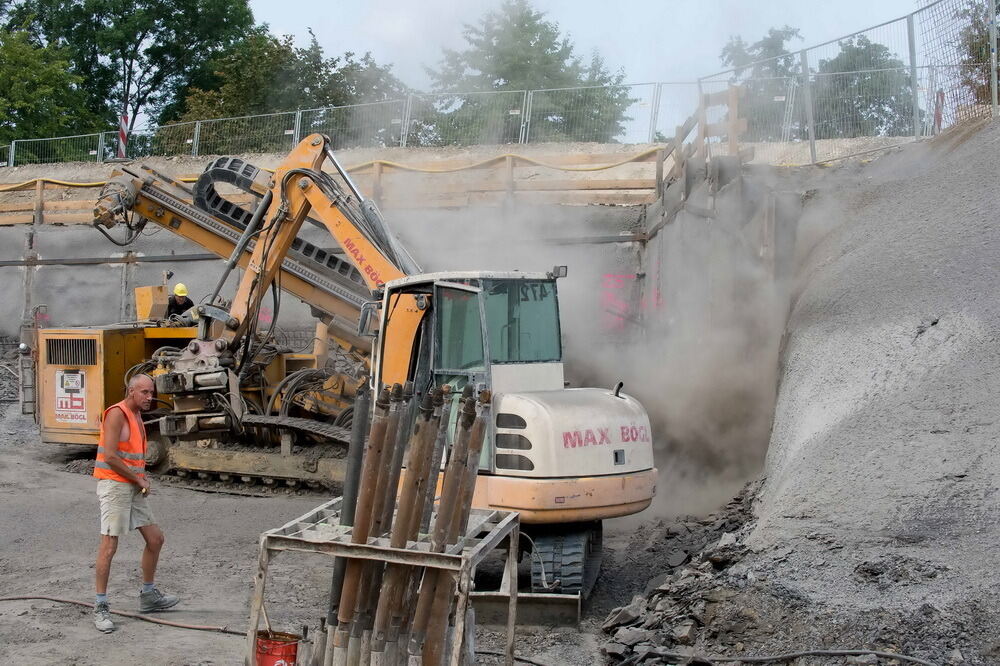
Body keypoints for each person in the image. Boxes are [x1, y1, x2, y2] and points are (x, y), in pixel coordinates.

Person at [93, 374, 179, 633]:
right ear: (131, 391)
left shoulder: (137, 415)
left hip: (131, 484)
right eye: (144, 392)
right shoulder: (117, 413)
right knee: (109, 546)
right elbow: (109, 456)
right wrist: (139, 480)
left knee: (155, 539)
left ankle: (149, 595)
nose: (149, 397)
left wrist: (139, 480)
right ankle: (100, 607)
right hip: (115, 485)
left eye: (151, 392)